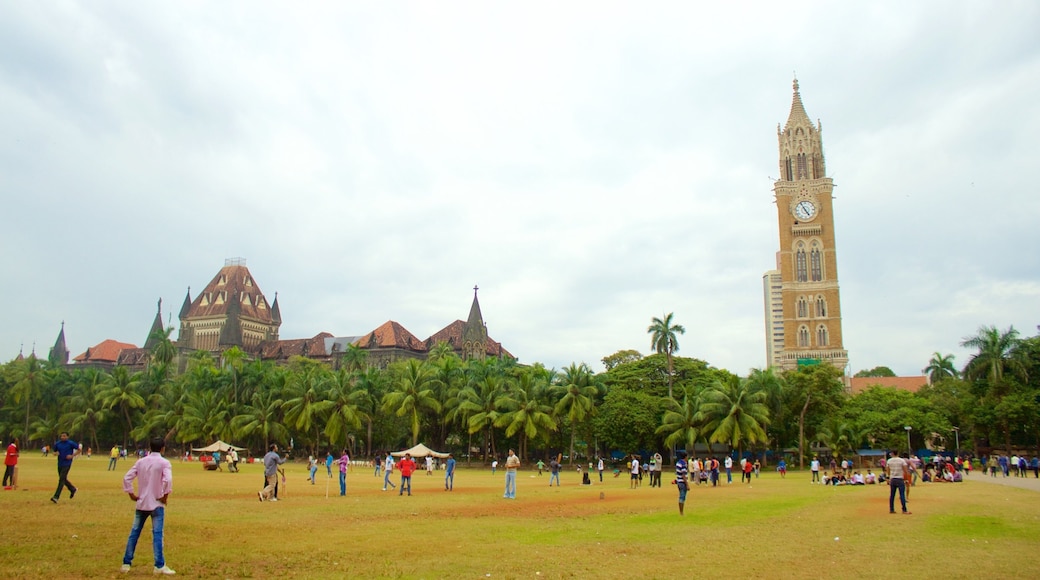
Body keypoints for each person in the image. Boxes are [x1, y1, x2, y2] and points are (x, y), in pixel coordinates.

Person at [120, 437, 175, 575]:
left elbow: (127, 477)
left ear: (150, 447)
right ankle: (159, 565)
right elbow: (168, 480)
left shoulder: (141, 462)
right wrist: (165, 496)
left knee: (134, 533)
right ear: (163, 448)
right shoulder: (164, 463)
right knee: (157, 534)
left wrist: (131, 493)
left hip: (142, 502)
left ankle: (126, 563)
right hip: (156, 503)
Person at [51, 432, 80, 503]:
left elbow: (79, 450)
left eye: (64, 436)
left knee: (61, 480)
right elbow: (54, 452)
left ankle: (56, 497)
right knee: (63, 479)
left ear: (67, 437)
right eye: (61, 436)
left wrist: (72, 456)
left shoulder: (70, 443)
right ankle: (73, 489)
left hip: (67, 463)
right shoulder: (58, 444)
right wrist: (55, 453)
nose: (63, 437)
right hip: (60, 463)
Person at [674, 450, 689, 515]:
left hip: (679, 482)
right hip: (682, 482)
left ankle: (681, 512)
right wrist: (687, 484)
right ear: (685, 457)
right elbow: (683, 475)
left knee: (681, 496)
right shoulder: (683, 464)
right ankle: (681, 512)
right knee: (682, 497)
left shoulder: (678, 463)